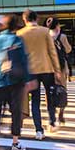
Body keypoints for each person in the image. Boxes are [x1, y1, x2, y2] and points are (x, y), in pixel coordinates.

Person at [0, 13, 30, 150]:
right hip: (15, 81)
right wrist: (28, 79)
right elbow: (23, 60)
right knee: (15, 111)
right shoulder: (17, 39)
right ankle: (15, 143)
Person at [18, 9, 61, 138]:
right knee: (50, 95)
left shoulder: (20, 33)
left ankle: (38, 130)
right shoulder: (45, 31)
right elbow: (52, 51)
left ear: (24, 20)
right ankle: (52, 121)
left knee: (35, 100)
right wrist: (57, 69)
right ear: (36, 18)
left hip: (30, 71)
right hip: (46, 68)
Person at [46, 17, 71, 125]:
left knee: (50, 91)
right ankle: (61, 112)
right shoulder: (62, 36)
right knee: (62, 90)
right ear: (57, 26)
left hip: (49, 67)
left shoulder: (46, 36)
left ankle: (52, 114)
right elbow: (68, 49)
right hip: (61, 68)